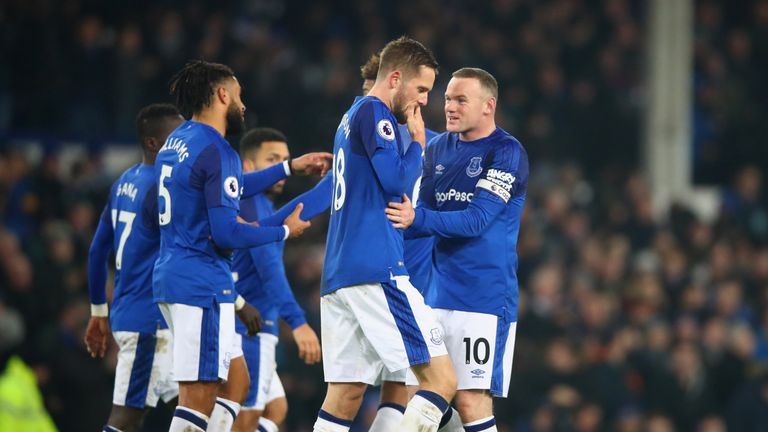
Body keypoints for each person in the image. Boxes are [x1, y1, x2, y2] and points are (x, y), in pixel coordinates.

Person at [155, 60, 330, 432]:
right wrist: (284, 232)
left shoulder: (179, 141)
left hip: (180, 275)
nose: (243, 104)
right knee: (198, 396)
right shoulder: (218, 150)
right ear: (222, 95)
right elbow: (227, 233)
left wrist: (288, 168)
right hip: (198, 282)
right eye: (238, 94)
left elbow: (229, 185)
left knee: (238, 381)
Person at [315, 36, 456, 432]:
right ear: (396, 78)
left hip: (340, 275)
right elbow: (395, 180)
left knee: (344, 397)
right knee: (441, 381)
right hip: (377, 269)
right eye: (422, 89)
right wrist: (418, 143)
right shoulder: (375, 112)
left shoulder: (350, 116)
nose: (425, 102)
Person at [386, 67, 529, 432]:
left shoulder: (506, 151)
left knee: (470, 401)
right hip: (437, 292)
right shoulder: (438, 148)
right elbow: (423, 219)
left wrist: (414, 219)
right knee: (427, 391)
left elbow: (476, 220)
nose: (449, 106)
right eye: (447, 98)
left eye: (460, 99)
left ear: (488, 105)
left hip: (484, 297)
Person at [360, 52, 459, 432]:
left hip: (403, 282)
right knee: (423, 387)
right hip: (386, 281)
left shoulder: (434, 149)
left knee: (396, 388)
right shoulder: (377, 142)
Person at [85, 103, 184, 432]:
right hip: (148, 323)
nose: (184, 142)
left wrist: (99, 311)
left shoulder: (125, 181)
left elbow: (98, 249)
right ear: (153, 143)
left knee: (193, 408)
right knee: (126, 418)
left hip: (144, 316)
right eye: (176, 136)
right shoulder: (164, 187)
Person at [231, 127, 326, 432]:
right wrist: (297, 322)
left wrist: (338, 180)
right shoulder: (252, 203)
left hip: (249, 323)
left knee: (275, 410)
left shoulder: (255, 205)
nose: (281, 168)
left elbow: (302, 205)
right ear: (248, 167)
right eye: (272, 159)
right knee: (246, 416)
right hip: (250, 328)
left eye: (285, 160)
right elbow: (269, 270)